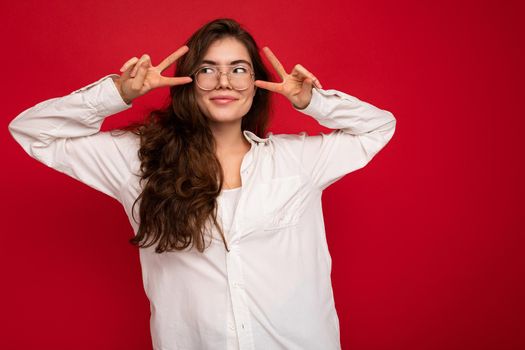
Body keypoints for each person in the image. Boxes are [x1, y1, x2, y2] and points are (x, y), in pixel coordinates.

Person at [8, 18, 396, 350]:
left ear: (258, 82)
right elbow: (34, 132)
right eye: (208, 68)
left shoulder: (298, 161)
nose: (224, 80)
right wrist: (118, 93)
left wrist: (314, 102)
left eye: (239, 69)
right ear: (189, 81)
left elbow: (378, 127)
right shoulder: (139, 161)